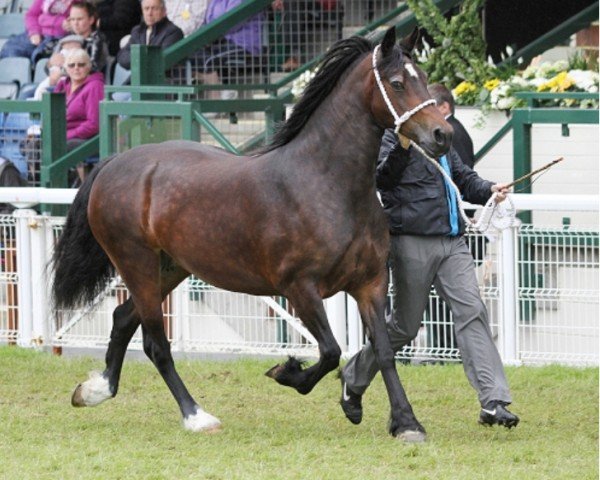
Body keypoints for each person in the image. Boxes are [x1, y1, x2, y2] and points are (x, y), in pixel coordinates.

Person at [339, 126, 520, 429]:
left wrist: (489, 189)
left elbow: (462, 178)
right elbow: (383, 181)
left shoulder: (441, 138)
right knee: (404, 327)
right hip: (410, 242)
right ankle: (353, 377)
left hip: (453, 243)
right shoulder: (390, 137)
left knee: (472, 311)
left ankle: (493, 401)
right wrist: (402, 145)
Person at [425, 83, 480, 355]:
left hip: (451, 226)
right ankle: (443, 350)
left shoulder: (451, 132)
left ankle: (445, 350)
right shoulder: (449, 130)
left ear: (444, 107)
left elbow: (461, 176)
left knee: (448, 300)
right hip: (446, 224)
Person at [192, 0, 264, 100]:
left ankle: (217, 100)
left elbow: (231, 23)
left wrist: (208, 36)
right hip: (219, 44)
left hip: (242, 45)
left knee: (207, 61)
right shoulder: (214, 1)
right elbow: (207, 22)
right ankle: (221, 92)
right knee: (192, 56)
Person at [54, 48, 104, 182]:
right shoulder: (62, 84)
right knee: (31, 145)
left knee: (56, 147)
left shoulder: (95, 86)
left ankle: (59, 184)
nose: (76, 68)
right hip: (62, 135)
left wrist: (67, 135)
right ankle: (35, 187)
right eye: (72, 65)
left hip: (90, 139)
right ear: (66, 68)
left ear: (88, 67)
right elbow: (52, 112)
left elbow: (94, 125)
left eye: (81, 64)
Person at [116, 0, 184, 71]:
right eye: (146, 8)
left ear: (164, 11)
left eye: (154, 9)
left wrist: (137, 57)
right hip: (138, 79)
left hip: (162, 80)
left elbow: (160, 60)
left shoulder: (173, 32)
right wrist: (143, 57)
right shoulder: (137, 31)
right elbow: (122, 56)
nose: (149, 13)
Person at [0, 0, 74, 63]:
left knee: (41, 57)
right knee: (11, 49)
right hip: (40, 34)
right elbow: (31, 15)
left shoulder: (77, 3)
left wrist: (71, 24)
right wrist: (34, 32)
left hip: (60, 39)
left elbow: (79, 20)